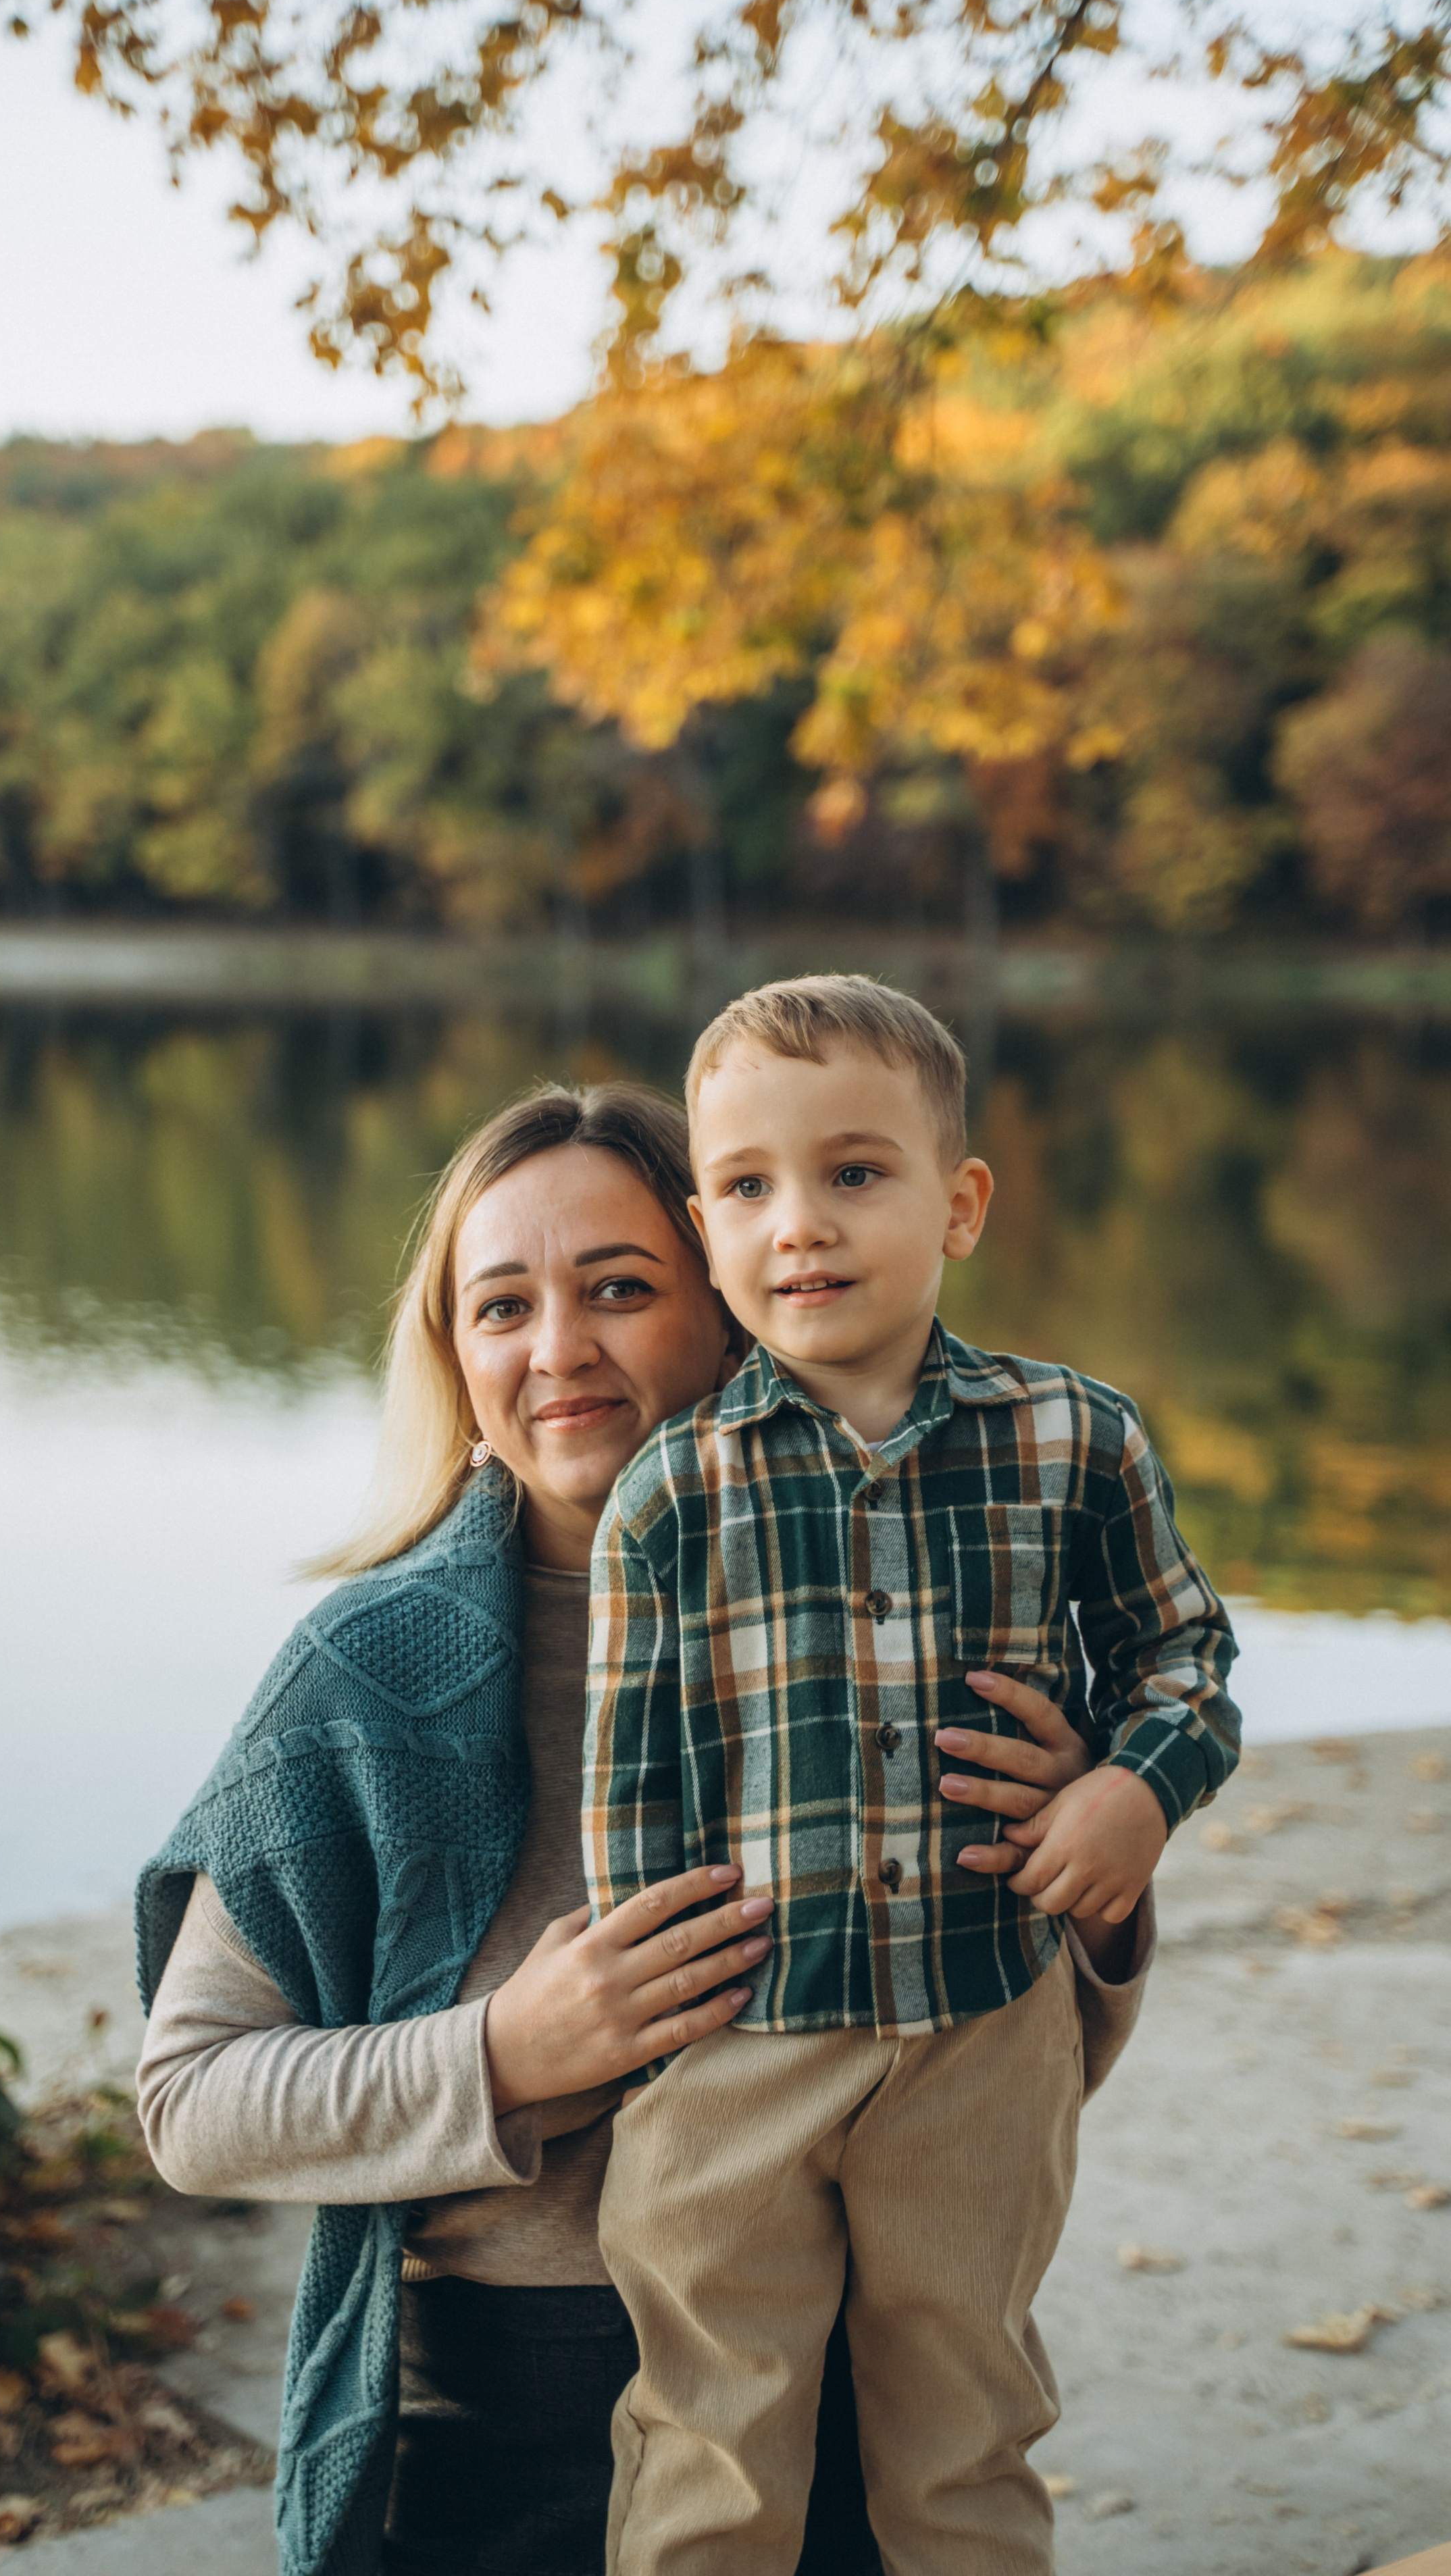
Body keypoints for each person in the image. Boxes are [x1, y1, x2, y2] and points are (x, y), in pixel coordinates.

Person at [134, 1081, 1154, 2576]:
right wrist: (507, 2055)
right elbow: (190, 2103)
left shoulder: (915, 1609)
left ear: (735, 1298)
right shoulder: (369, 1676)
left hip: (845, 2396)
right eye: (501, 1307)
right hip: (493, 2435)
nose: (557, 1351)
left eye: (617, 1289)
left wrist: (1092, 1889)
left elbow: (1023, 2073)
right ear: (453, 1356)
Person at [582, 979, 1240, 2576]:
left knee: (962, 2433)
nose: (797, 1226)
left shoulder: (1071, 1439)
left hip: (980, 2030)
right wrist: (658, 2053)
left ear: (957, 1207)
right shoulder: (672, 1493)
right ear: (701, 1225)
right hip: (736, 2049)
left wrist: (1132, 1790)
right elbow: (632, 1807)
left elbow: (1185, 1659)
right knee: (708, 2455)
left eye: (853, 1175)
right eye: (745, 1189)